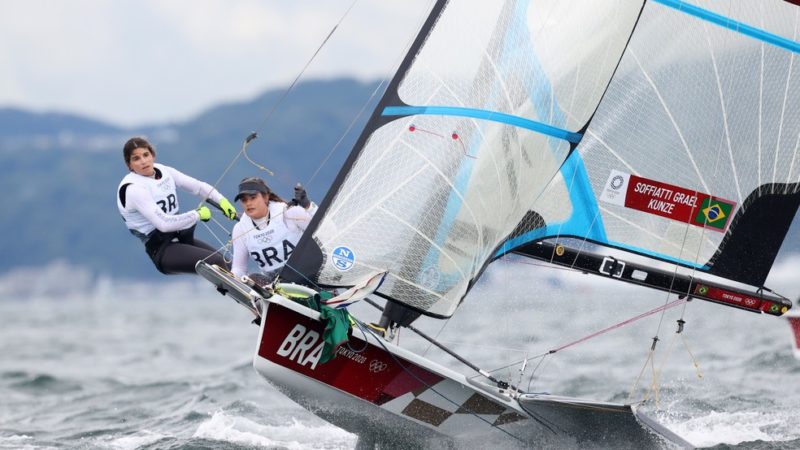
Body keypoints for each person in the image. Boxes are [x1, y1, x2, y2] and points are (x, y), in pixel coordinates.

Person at [116, 137, 238, 274]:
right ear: (129, 165)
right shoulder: (133, 189)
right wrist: (197, 214)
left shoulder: (164, 171)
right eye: (136, 158)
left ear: (153, 155)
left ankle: (258, 291)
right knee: (215, 263)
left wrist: (221, 201)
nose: (143, 161)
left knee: (230, 264)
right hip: (162, 249)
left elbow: (198, 187)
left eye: (146, 155)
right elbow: (164, 224)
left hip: (180, 237)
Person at [230, 177, 317, 284]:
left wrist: (308, 206)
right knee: (252, 279)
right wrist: (230, 283)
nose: (248, 203)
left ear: (265, 197)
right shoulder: (240, 229)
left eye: (253, 198)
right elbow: (239, 269)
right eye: (244, 200)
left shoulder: (289, 213)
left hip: (308, 276)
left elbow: (324, 230)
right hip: (276, 286)